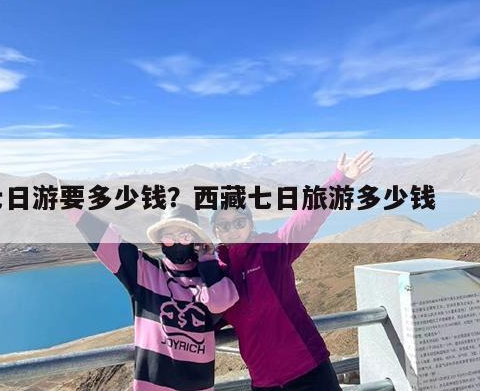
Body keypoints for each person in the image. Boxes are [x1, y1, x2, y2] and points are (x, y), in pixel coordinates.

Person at [210, 151, 373, 391]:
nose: (232, 229)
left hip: (309, 368)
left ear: (250, 224)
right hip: (265, 381)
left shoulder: (271, 250)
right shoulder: (217, 274)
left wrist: (340, 179)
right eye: (224, 225)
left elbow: (307, 219)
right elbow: (204, 316)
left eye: (239, 222)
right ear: (216, 231)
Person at [58, 185, 239, 391]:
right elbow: (107, 241)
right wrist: (72, 207)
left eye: (185, 236)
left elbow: (220, 303)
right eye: (168, 237)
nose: (176, 242)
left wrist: (208, 261)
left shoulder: (211, 278)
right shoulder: (145, 271)